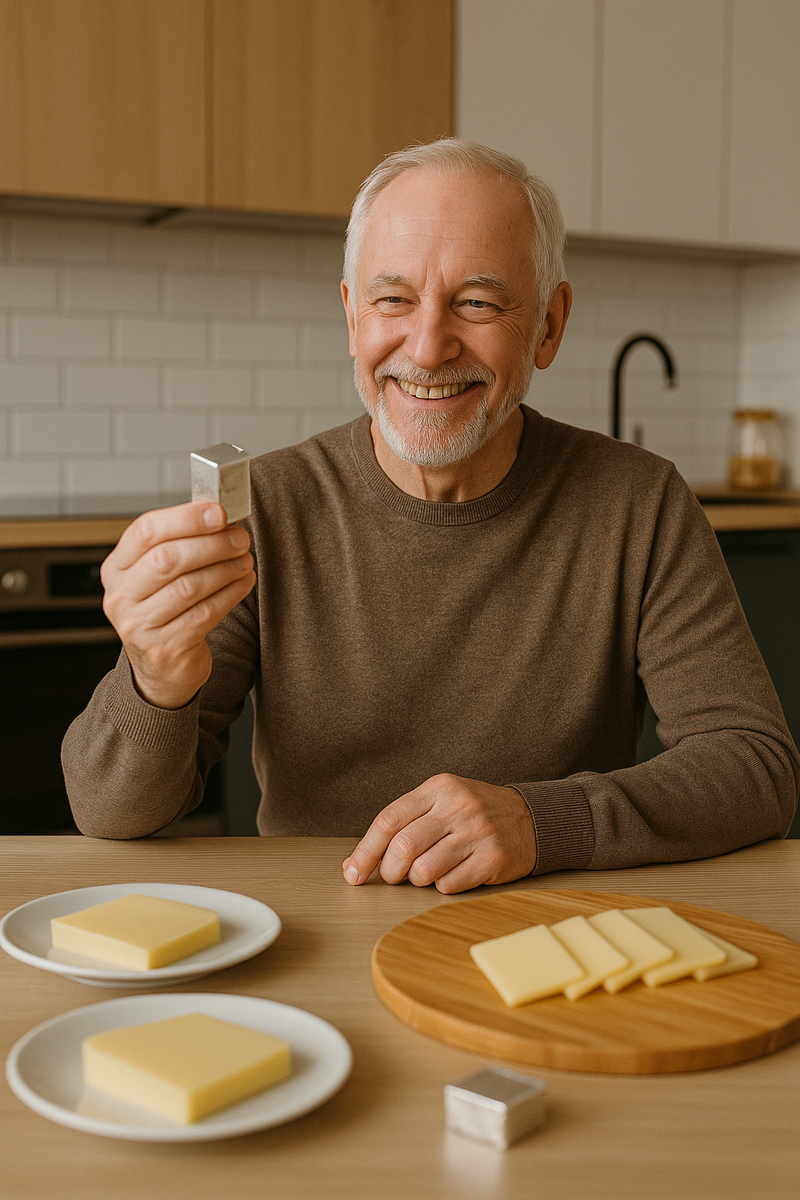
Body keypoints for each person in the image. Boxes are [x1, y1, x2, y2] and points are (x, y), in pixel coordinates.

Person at [62, 139, 799, 893]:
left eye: (477, 302)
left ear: (548, 325)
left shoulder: (639, 503)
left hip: (548, 930)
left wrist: (541, 822)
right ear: (353, 317)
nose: (427, 344)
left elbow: (754, 766)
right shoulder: (268, 509)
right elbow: (108, 812)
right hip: (321, 932)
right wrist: (155, 681)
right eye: (393, 299)